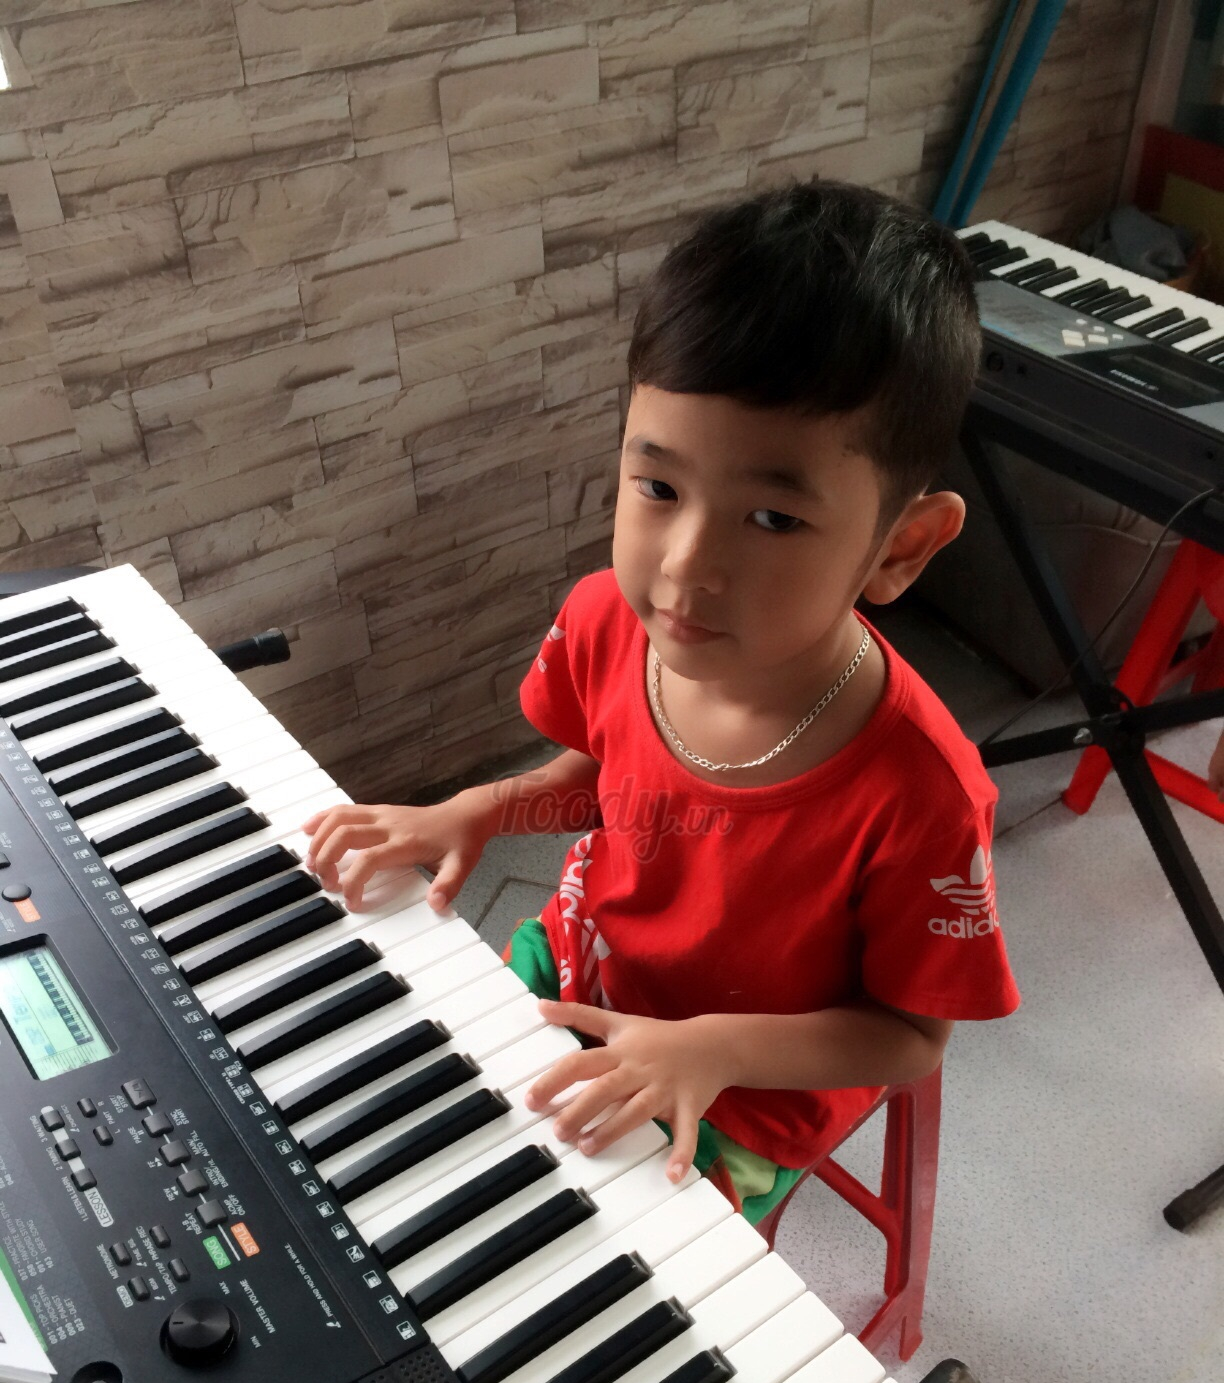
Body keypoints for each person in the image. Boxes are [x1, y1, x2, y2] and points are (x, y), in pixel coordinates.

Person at [304, 179, 1021, 1225]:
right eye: (659, 488)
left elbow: (909, 1037)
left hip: (742, 1089)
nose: (685, 566)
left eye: (772, 519)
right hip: (580, 960)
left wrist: (709, 1050)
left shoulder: (924, 793)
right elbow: (602, 785)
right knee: (398, 1150)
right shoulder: (608, 619)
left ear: (900, 547)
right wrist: (480, 811)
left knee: (587, 1260)